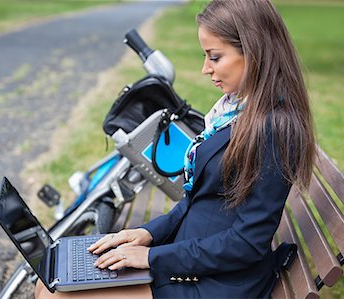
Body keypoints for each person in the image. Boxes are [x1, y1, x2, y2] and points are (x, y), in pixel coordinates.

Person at [35, 0, 316, 298]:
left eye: (215, 57)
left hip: (216, 282)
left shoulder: (274, 128)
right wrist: (148, 234)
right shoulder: (234, 111)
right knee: (52, 279)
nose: (205, 69)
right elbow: (201, 200)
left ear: (255, 52)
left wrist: (151, 259)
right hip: (190, 257)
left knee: (57, 293)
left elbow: (247, 243)